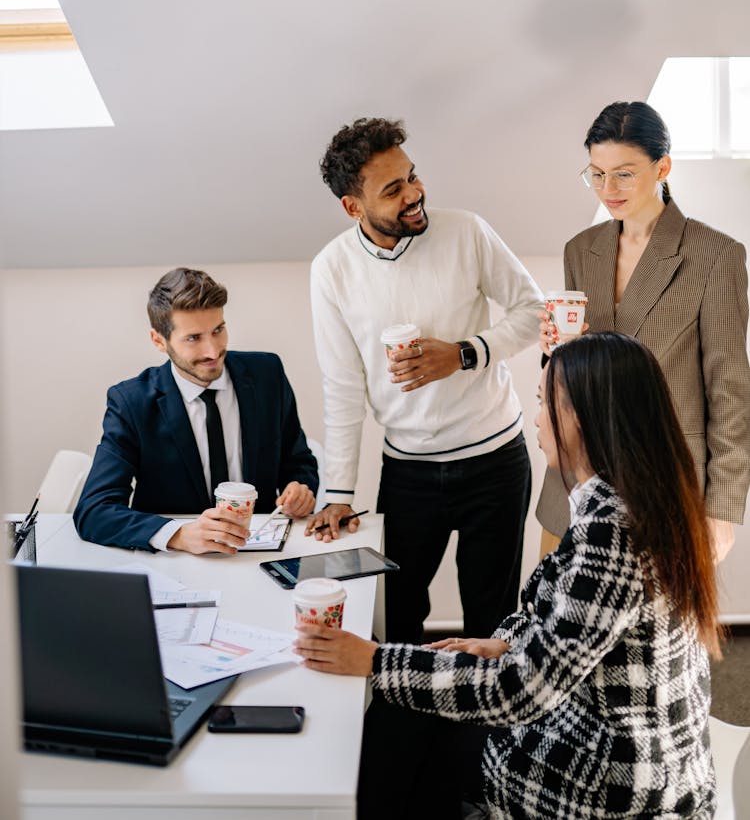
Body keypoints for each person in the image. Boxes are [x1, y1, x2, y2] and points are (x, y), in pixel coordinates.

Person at [295, 332, 720, 820]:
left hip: (612, 783)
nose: (536, 418)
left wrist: (374, 660)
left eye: (543, 403)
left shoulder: (613, 532)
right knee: (407, 722)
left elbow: (518, 693)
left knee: (398, 729)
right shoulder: (641, 498)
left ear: (581, 418)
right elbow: (559, 615)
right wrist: (500, 644)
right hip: (632, 749)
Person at [308, 117, 542, 642]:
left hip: (496, 461)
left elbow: (533, 311)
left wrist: (465, 353)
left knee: (494, 615)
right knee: (399, 611)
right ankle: (407, 721)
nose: (414, 194)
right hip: (409, 472)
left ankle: (491, 726)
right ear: (353, 207)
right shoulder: (332, 270)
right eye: (393, 190)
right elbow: (342, 387)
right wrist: (338, 492)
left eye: (412, 177)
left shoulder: (467, 231)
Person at [536, 100, 750, 561]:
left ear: (663, 167)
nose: (607, 188)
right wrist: (554, 351)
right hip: (577, 481)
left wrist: (720, 510)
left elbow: (730, 389)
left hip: (665, 482)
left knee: (657, 630)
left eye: (624, 174)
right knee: (555, 624)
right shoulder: (581, 249)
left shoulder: (715, 256)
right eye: (596, 173)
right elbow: (575, 367)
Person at [74, 267, 318, 553]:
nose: (213, 351)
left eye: (218, 330)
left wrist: (300, 488)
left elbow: (298, 460)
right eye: (193, 338)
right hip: (172, 567)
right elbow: (94, 511)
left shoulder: (267, 375)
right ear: (158, 340)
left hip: (258, 552)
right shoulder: (131, 402)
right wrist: (177, 534)